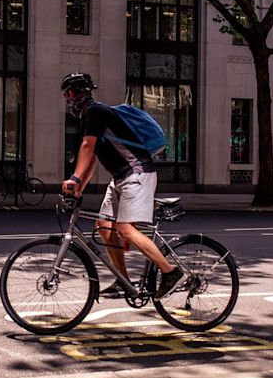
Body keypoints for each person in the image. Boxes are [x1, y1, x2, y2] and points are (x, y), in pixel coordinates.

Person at [59, 72, 187, 299]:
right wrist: (79, 188)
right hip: (121, 178)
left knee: (125, 229)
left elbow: (87, 148)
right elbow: (93, 157)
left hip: (137, 174)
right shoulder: (90, 117)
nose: (67, 100)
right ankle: (122, 280)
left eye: (68, 95)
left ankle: (170, 272)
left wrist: (75, 179)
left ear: (75, 93)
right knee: (104, 226)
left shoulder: (94, 111)